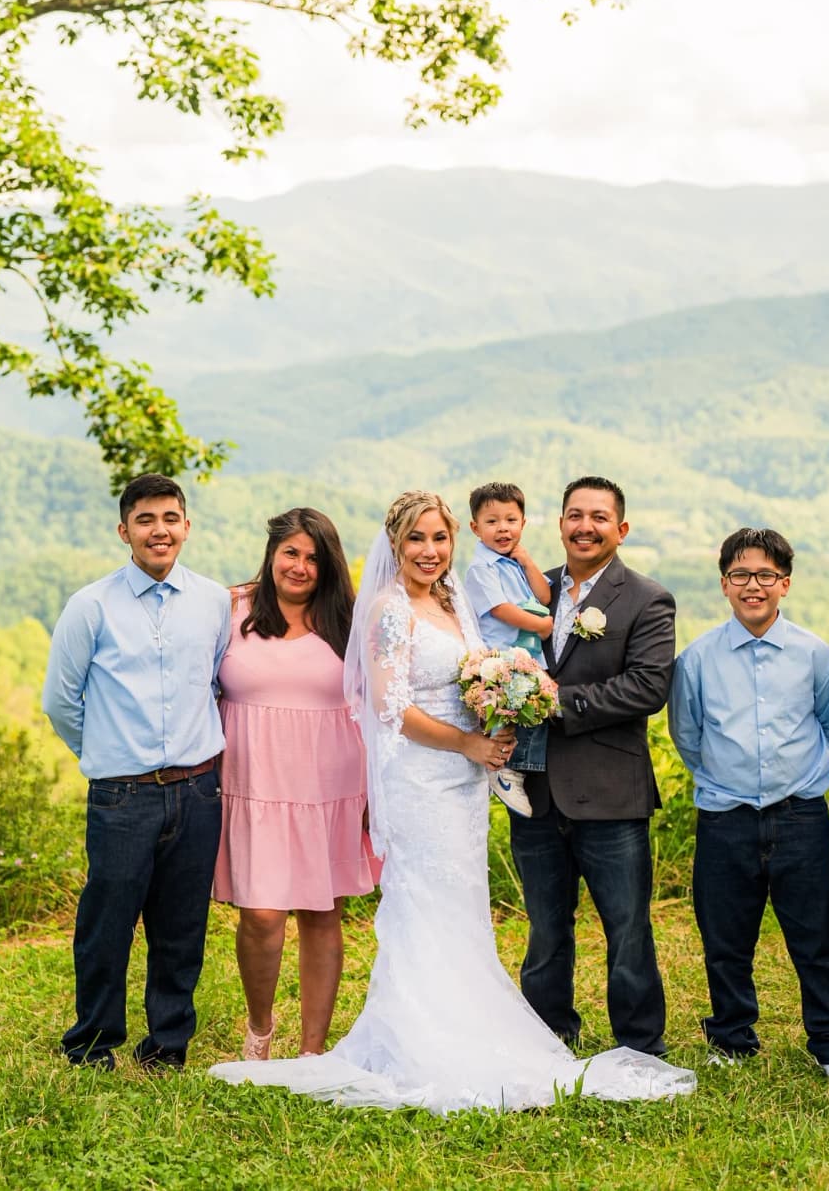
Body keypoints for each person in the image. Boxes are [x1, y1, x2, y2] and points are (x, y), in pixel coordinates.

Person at [207, 491, 696, 1112]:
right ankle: (420, 1036)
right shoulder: (387, 609)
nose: (429, 550)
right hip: (420, 779)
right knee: (422, 902)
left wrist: (504, 701)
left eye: (439, 538)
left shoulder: (450, 600)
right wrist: (468, 741)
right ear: (395, 543)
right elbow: (391, 707)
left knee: (460, 904)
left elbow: (477, 673)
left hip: (463, 783)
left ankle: (466, 1021)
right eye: (416, 538)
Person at [41, 474, 231, 1072]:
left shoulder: (214, 602)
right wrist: (106, 753)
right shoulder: (91, 606)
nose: (159, 530)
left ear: (187, 527)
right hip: (122, 795)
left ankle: (167, 1046)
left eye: (170, 518)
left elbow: (216, 682)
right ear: (124, 531)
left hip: (199, 790)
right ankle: (93, 1044)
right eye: (145, 520)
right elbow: (60, 701)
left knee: (182, 926)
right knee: (108, 924)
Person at [669, 527, 829, 1090]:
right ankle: (732, 1039)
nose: (752, 585)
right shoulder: (697, 659)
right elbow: (688, 735)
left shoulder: (815, 656)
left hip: (800, 815)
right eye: (740, 575)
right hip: (724, 816)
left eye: (764, 575)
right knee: (725, 939)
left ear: (785, 583)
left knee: (817, 938)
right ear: (723, 584)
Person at [510, 476, 675, 1059]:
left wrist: (558, 702)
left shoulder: (647, 599)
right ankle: (547, 1038)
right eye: (575, 515)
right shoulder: (530, 590)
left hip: (611, 793)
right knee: (545, 929)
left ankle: (640, 1045)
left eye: (599, 517)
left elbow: (648, 687)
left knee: (627, 929)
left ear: (620, 529)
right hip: (534, 790)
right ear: (560, 524)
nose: (585, 527)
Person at [213, 508, 377, 1061]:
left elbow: (375, 707)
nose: (300, 567)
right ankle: (259, 1031)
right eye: (291, 553)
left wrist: (374, 792)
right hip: (253, 783)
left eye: (313, 558)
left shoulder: (349, 622)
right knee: (261, 915)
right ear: (271, 554)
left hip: (331, 786)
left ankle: (312, 1051)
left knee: (321, 913)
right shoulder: (231, 610)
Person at [461, 481, 554, 818]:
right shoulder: (481, 569)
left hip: (525, 653)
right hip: (501, 655)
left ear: (523, 523)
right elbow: (500, 609)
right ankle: (504, 771)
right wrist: (541, 626)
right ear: (475, 527)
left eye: (511, 520)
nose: (503, 528)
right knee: (507, 713)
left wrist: (527, 562)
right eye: (492, 521)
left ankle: (512, 770)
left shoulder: (514, 562)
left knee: (533, 710)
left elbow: (544, 596)